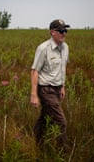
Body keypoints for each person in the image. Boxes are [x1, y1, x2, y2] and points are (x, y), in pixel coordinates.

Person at [30, 19, 70, 150]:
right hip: (46, 89)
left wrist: (62, 86)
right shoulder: (43, 48)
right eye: (61, 31)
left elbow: (62, 68)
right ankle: (63, 151)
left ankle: (35, 141)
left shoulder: (65, 47)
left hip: (58, 89)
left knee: (46, 117)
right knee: (60, 121)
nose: (64, 33)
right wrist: (34, 94)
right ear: (52, 32)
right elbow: (35, 71)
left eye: (65, 30)